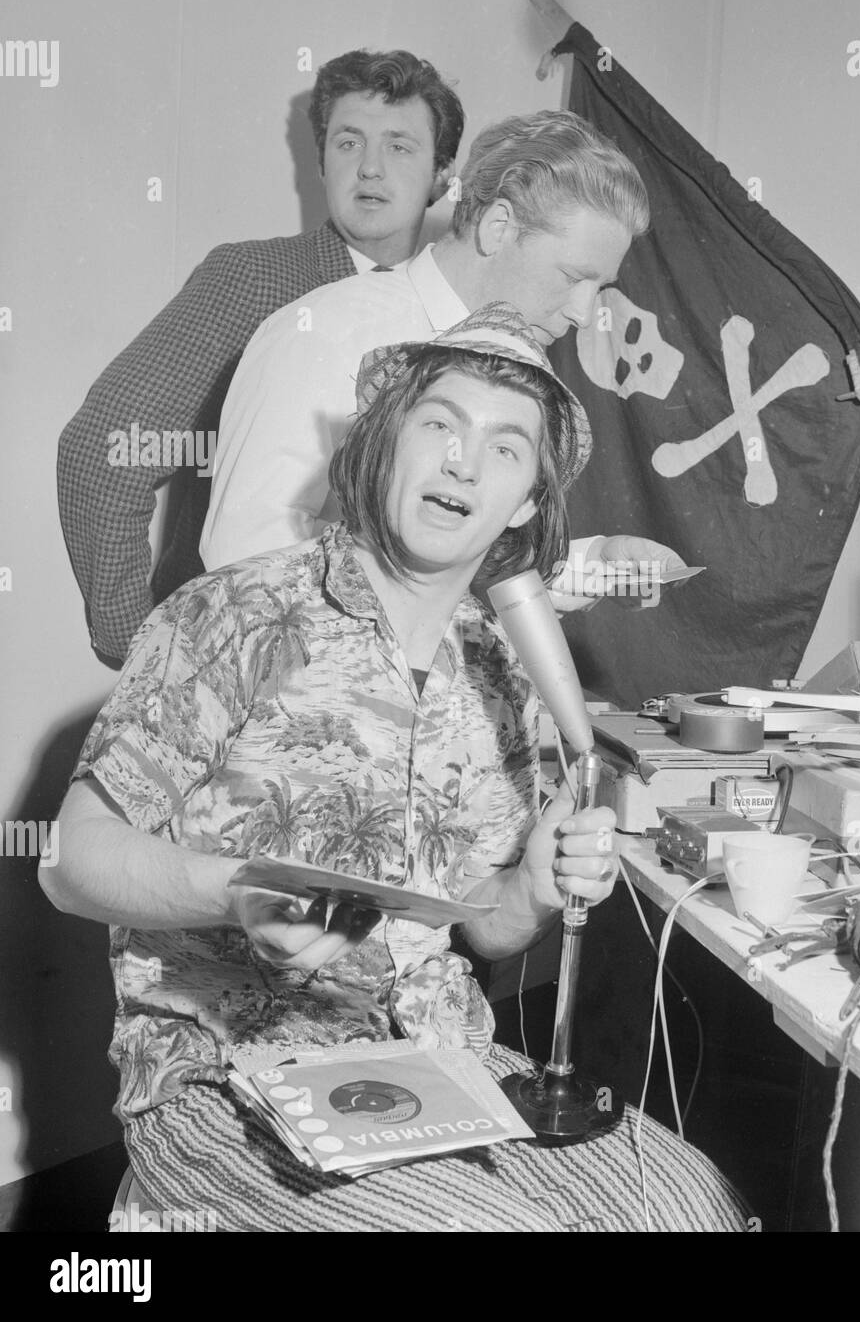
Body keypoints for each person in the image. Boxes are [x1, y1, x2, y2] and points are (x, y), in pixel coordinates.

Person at [41, 304, 747, 1232]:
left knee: (696, 1207)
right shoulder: (237, 613)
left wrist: (529, 890)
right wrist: (238, 892)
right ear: (387, 443)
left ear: (528, 499)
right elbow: (70, 860)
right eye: (440, 425)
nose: (464, 461)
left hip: (440, 1059)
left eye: (504, 447)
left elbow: (483, 929)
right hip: (226, 1071)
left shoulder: (500, 671)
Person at [57, 49, 465, 666]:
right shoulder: (253, 278)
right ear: (322, 161)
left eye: (401, 147)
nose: (371, 169)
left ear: (442, 175)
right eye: (348, 143)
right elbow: (106, 449)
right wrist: (139, 646)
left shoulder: (456, 320)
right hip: (243, 670)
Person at [200, 109, 684, 601]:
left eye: (599, 286)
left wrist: (593, 566)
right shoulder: (324, 332)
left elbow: (466, 562)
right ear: (498, 227)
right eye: (572, 277)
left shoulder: (521, 366)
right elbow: (246, 561)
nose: (584, 313)